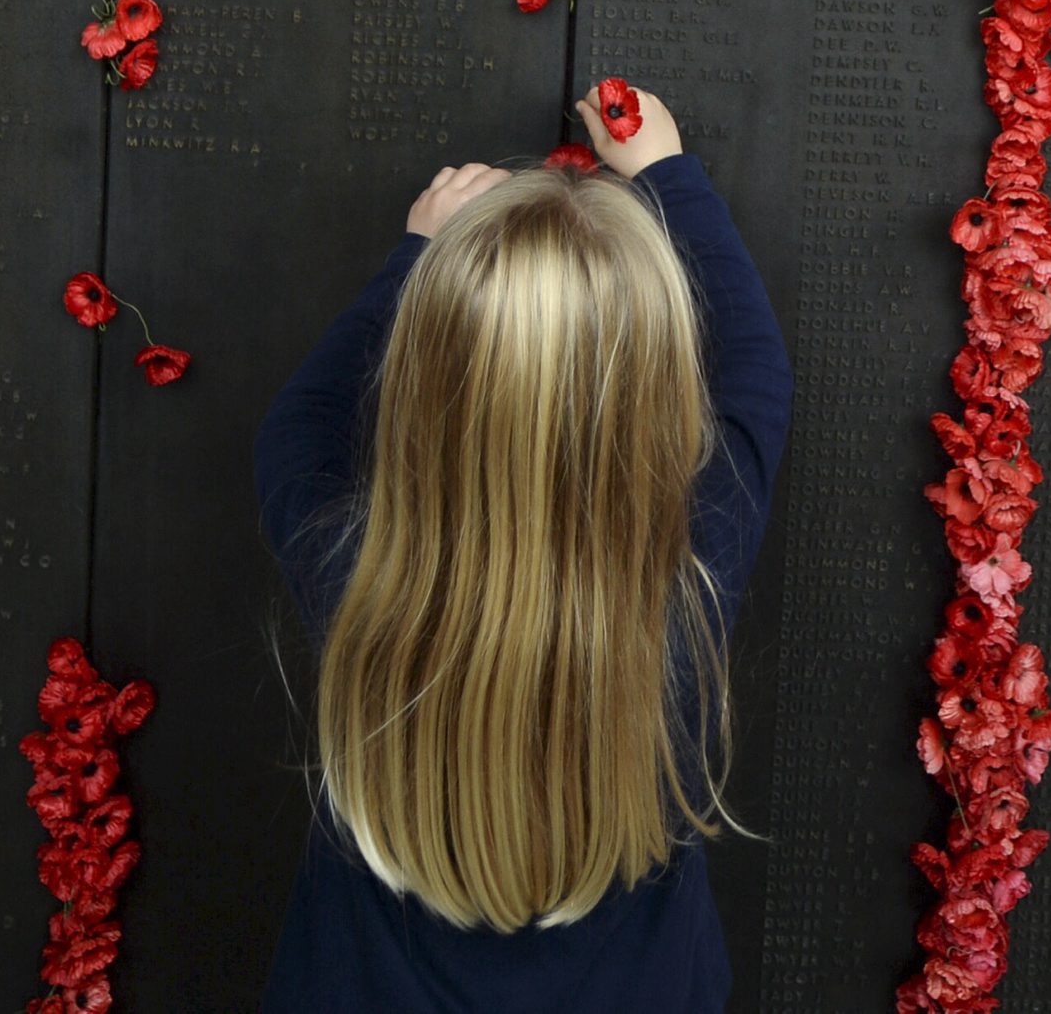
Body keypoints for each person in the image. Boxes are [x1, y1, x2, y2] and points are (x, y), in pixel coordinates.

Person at [254, 81, 790, 1012]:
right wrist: (667, 176)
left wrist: (419, 253)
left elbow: (297, 430)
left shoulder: (358, 583)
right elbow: (754, 378)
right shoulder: (687, 586)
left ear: (418, 384)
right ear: (659, 398)